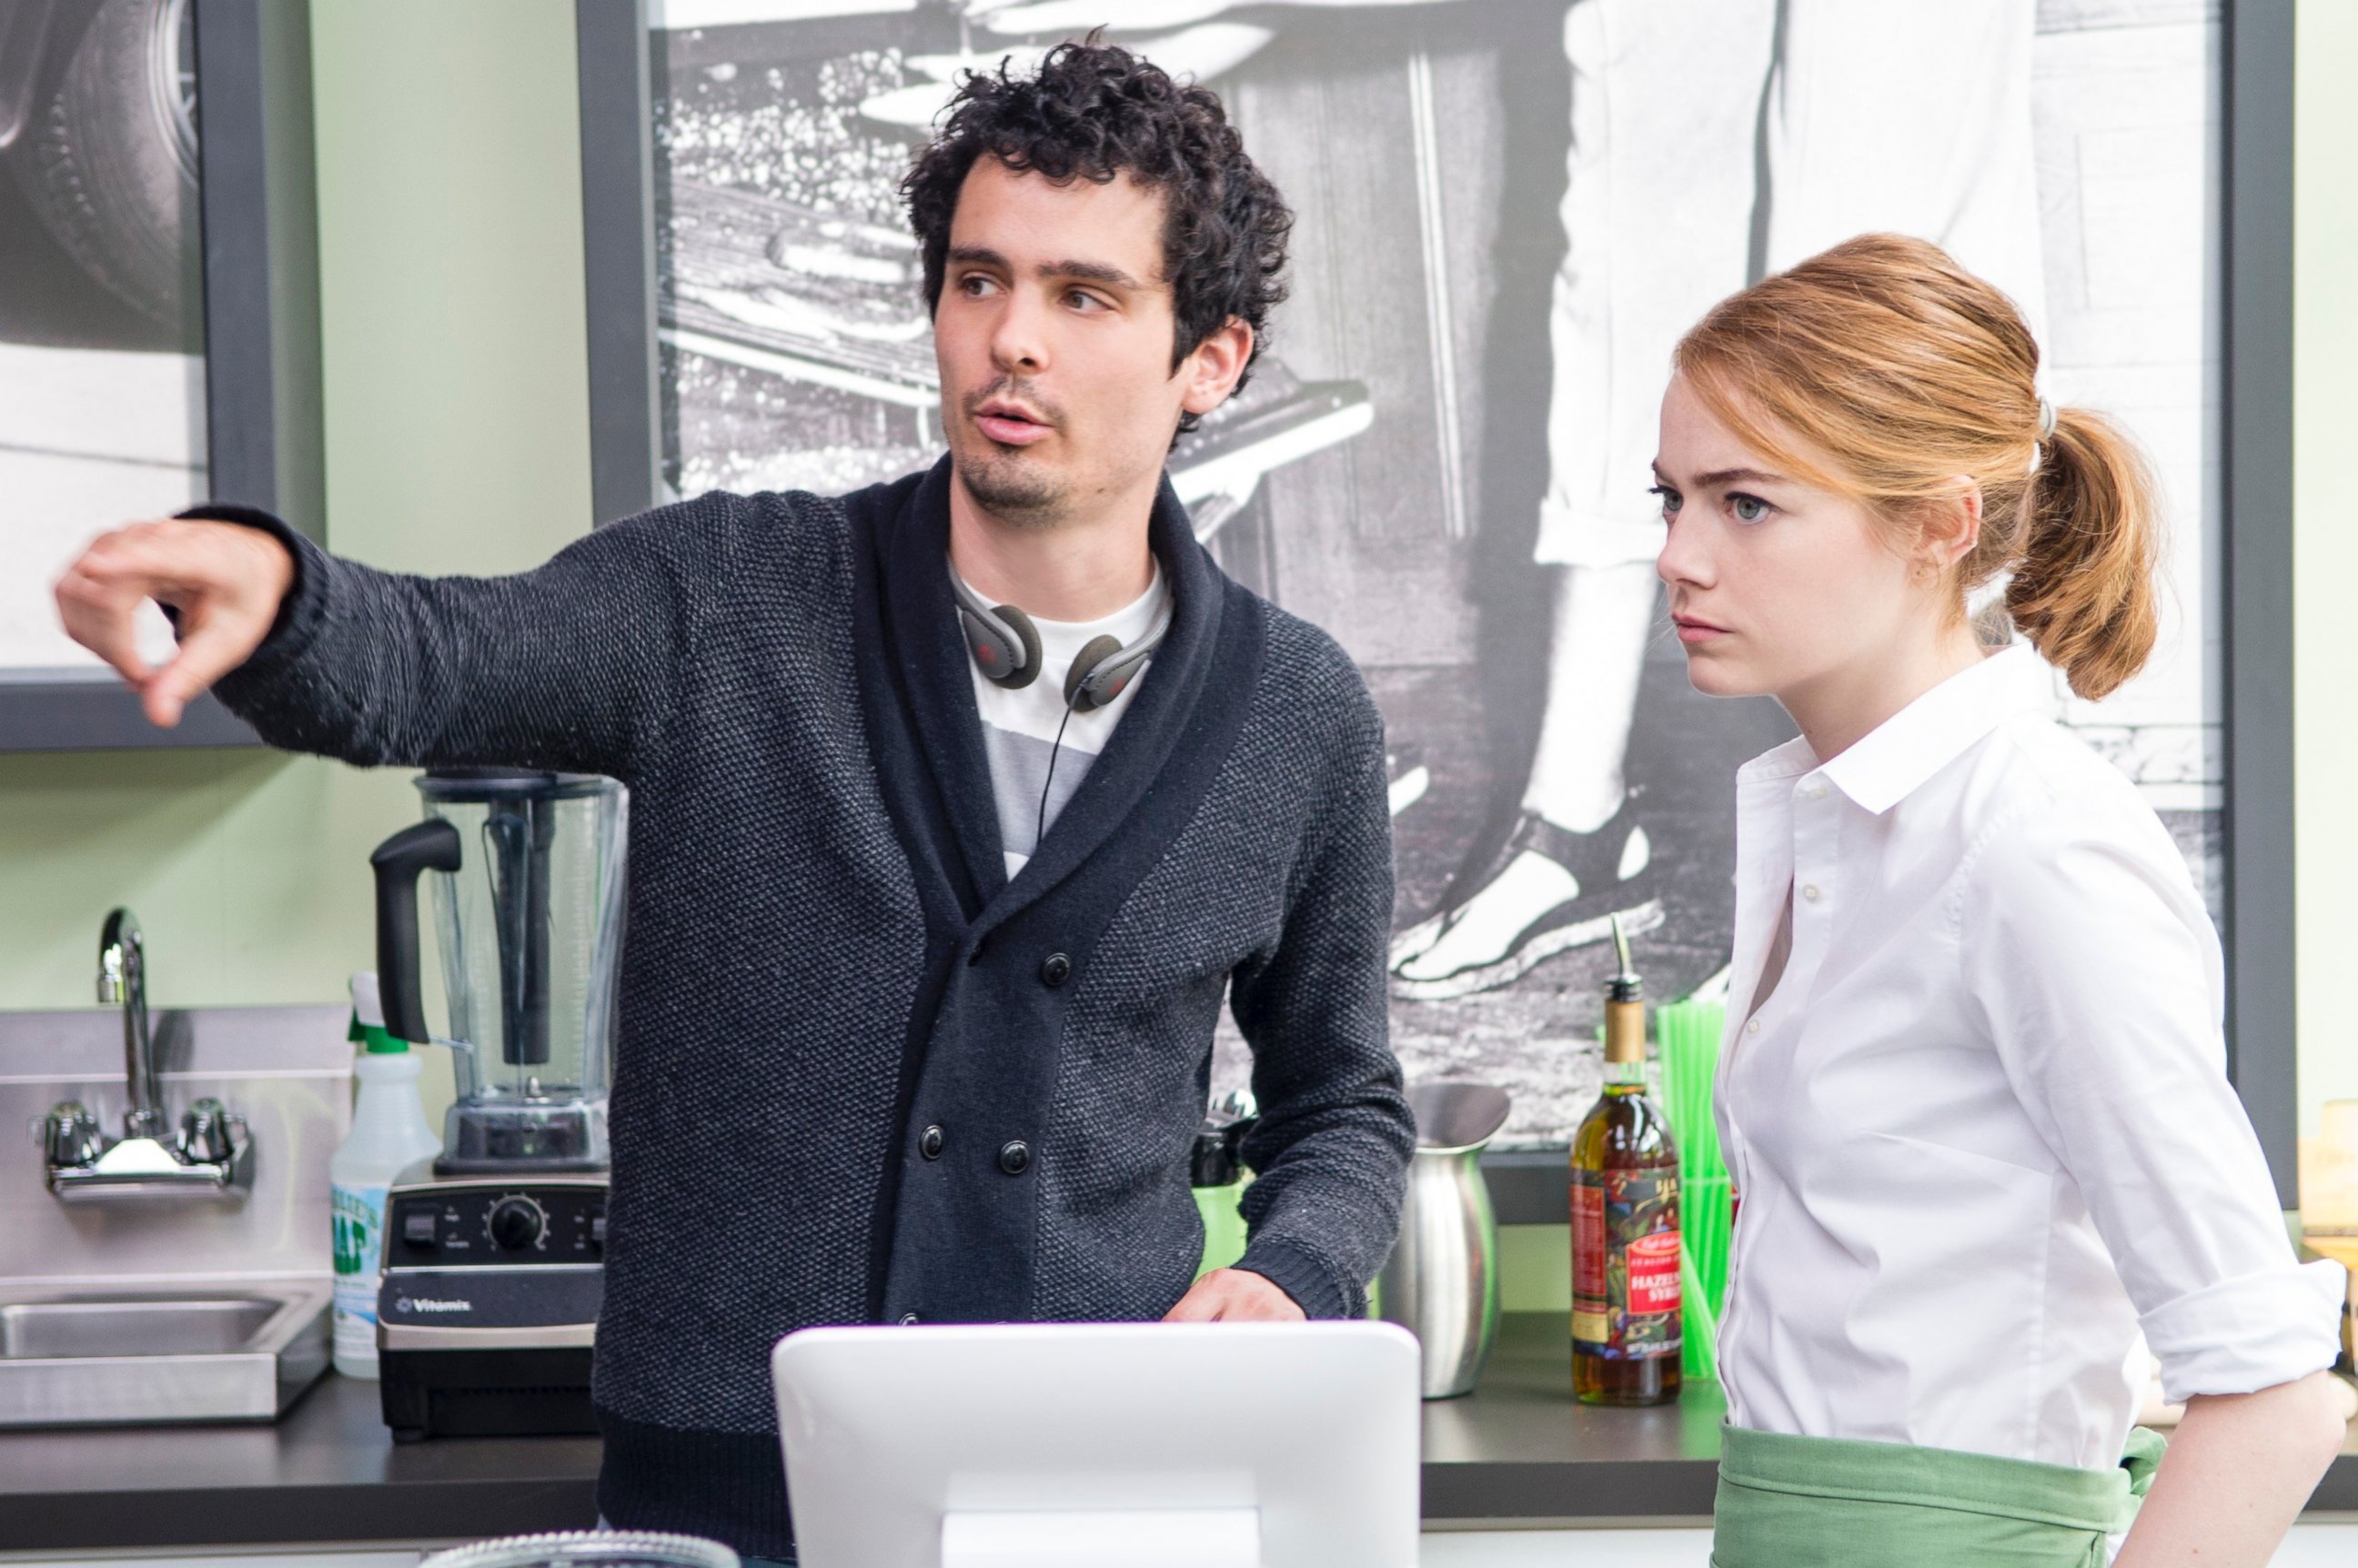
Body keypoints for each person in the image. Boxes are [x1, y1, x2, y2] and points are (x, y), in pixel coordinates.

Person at [51, 43, 1414, 1565]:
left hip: (1097, 1487)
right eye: (978, 281)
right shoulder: (723, 596)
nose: (1009, 340)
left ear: (1208, 360)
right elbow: (438, 657)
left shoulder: (1299, 717)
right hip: (716, 1502)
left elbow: (1344, 1103)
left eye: (1082, 297)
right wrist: (281, 590)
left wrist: (1296, 1270)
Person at [1655, 234, 2348, 1564]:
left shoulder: (2036, 852)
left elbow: (2276, 1395)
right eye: (1670, 497)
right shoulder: (1838, 824)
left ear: (1937, 523)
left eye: (1743, 503)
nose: (1680, 556)